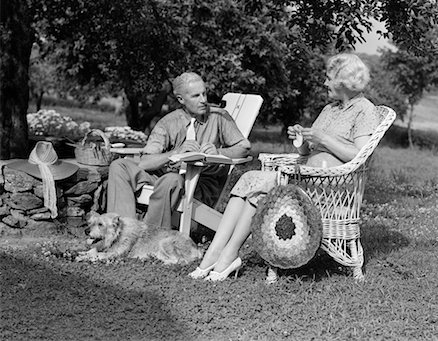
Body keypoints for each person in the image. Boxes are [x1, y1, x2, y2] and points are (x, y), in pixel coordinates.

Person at [189, 53, 380, 281]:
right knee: (249, 179)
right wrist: (301, 140)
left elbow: (361, 156)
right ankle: (215, 253)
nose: (325, 83)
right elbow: (308, 151)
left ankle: (227, 255)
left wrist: (324, 139)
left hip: (332, 190)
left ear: (344, 81)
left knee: (259, 189)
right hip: (308, 179)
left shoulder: (364, 110)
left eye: (329, 78)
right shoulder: (330, 109)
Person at [107, 72, 251, 230]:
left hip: (199, 184)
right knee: (119, 166)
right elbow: (145, 162)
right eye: (196, 96)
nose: (203, 100)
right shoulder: (169, 122)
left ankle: (152, 238)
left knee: (170, 180)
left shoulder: (219, 117)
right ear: (181, 99)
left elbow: (243, 148)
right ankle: (123, 230)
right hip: (169, 177)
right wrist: (175, 153)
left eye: (204, 93)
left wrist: (218, 152)